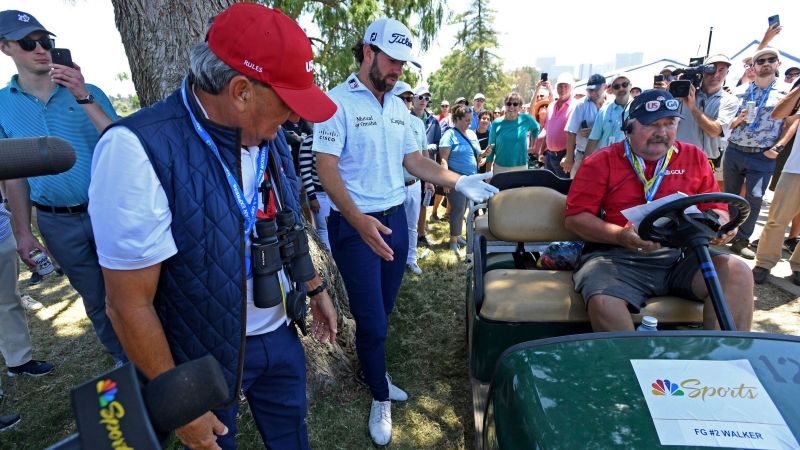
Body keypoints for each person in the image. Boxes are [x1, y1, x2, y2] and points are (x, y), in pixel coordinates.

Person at [88, 5, 340, 449]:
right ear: (241, 91)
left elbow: (286, 226)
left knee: (292, 438)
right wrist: (179, 401)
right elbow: (127, 305)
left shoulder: (270, 134)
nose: (295, 118)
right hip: (198, 361)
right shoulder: (136, 151)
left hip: (278, 335)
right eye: (288, 103)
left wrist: (315, 288)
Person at [313, 17, 497, 446]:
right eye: (392, 61)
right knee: (373, 320)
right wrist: (359, 221)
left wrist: (457, 181)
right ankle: (379, 392)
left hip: (395, 219)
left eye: (403, 64)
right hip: (356, 224)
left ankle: (372, 364)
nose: (397, 71)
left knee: (386, 307)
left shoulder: (398, 106)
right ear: (367, 52)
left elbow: (414, 161)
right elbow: (326, 170)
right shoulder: (334, 102)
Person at [565, 89, 753, 332]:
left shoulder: (694, 157)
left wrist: (721, 224)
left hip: (682, 256)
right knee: (603, 299)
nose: (662, 132)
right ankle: (631, 366)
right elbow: (575, 218)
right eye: (653, 124)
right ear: (628, 128)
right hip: (617, 257)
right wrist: (619, 235)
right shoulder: (601, 161)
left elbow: (717, 208)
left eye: (670, 123)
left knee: (738, 272)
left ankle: (725, 361)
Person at [0, 9, 125, 365]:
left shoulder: (90, 91)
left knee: (136, 289)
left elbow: (122, 144)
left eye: (46, 42)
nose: (40, 49)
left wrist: (84, 95)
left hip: (108, 211)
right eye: (29, 43)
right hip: (56, 222)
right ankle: (123, 360)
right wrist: (22, 232)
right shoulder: (1, 106)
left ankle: (161, 355)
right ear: (6, 47)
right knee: (94, 297)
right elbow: (13, 176)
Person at [724, 47, 789, 258]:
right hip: (735, 150)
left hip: (762, 155)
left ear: (778, 64)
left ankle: (743, 237)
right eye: (761, 61)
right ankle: (729, 232)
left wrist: (777, 148)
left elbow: (790, 124)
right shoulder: (739, 91)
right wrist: (739, 119)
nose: (766, 63)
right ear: (754, 66)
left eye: (771, 59)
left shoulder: (786, 94)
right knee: (731, 195)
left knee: (755, 197)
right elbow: (727, 125)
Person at [1, 190, 55, 378]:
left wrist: (21, 232)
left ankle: (18, 361)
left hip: (1, 235)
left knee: (8, 300)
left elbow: (12, 179)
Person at [752, 83, 800, 286]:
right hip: (796, 167)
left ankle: (798, 266)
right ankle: (764, 263)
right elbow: (778, 114)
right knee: (777, 219)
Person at [675, 54, 739, 185]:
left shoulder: (730, 100)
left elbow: (714, 131)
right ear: (702, 72)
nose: (715, 74)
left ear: (727, 72)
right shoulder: (683, 94)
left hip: (707, 160)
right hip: (678, 158)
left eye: (721, 70)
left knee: (700, 201)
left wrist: (693, 107)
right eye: (711, 69)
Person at [439, 104, 480, 254]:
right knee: (458, 208)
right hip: (456, 179)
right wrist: (445, 181)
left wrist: (482, 154)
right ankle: (453, 241)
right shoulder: (449, 135)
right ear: (456, 119)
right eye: (466, 120)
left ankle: (457, 235)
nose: (469, 123)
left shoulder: (472, 134)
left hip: (471, 180)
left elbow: (475, 154)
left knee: (464, 208)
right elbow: (443, 160)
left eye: (470, 120)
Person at [410, 85, 440, 250]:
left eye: (427, 98)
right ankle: (412, 233)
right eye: (420, 97)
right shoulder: (405, 118)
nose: (423, 101)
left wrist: (428, 148)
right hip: (410, 168)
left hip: (427, 166)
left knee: (424, 202)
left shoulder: (433, 121)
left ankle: (421, 233)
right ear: (413, 99)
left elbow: (439, 143)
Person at [485, 92, 540, 175]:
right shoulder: (496, 123)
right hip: (500, 168)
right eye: (509, 103)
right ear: (505, 105)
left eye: (515, 104)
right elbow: (490, 147)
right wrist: (488, 172)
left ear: (520, 107)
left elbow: (536, 128)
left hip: (521, 167)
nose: (511, 106)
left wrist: (533, 145)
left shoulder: (526, 119)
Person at [563, 73, 606, 177]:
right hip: (581, 156)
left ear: (604, 87)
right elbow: (571, 132)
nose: (591, 92)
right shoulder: (581, 105)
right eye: (589, 90)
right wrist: (569, 158)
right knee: (577, 189)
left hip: (604, 158)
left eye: (595, 89)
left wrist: (595, 132)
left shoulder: (611, 105)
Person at [585, 74, 632, 157]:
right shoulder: (604, 110)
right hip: (606, 160)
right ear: (612, 90)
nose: (621, 88)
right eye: (617, 86)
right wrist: (584, 163)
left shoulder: (639, 108)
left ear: (630, 86)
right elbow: (593, 139)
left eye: (624, 84)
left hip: (629, 161)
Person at [539, 73, 574, 177]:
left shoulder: (576, 106)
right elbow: (548, 131)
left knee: (562, 191)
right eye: (560, 85)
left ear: (571, 87)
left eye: (566, 85)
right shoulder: (551, 106)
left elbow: (575, 135)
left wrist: (569, 157)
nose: (563, 88)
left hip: (564, 158)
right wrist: (541, 152)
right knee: (549, 189)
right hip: (549, 156)